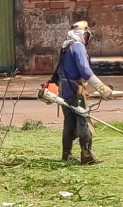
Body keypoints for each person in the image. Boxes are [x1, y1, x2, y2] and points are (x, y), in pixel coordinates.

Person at [50, 21, 116, 165]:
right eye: (86, 35)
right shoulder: (78, 47)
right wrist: (102, 88)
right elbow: (85, 71)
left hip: (64, 90)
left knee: (69, 122)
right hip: (76, 91)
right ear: (82, 34)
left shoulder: (65, 46)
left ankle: (66, 154)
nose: (87, 39)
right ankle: (86, 156)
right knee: (83, 121)